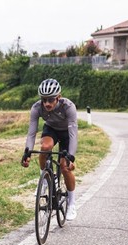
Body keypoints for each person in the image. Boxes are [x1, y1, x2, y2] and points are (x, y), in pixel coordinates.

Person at [21, 78, 78, 220]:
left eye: (51, 100)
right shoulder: (36, 108)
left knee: (65, 167)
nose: (47, 103)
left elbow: (73, 134)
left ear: (58, 97)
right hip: (51, 129)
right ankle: (45, 179)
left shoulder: (68, 107)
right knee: (45, 147)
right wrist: (27, 152)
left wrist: (71, 156)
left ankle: (71, 203)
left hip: (66, 133)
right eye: (44, 99)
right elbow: (32, 133)